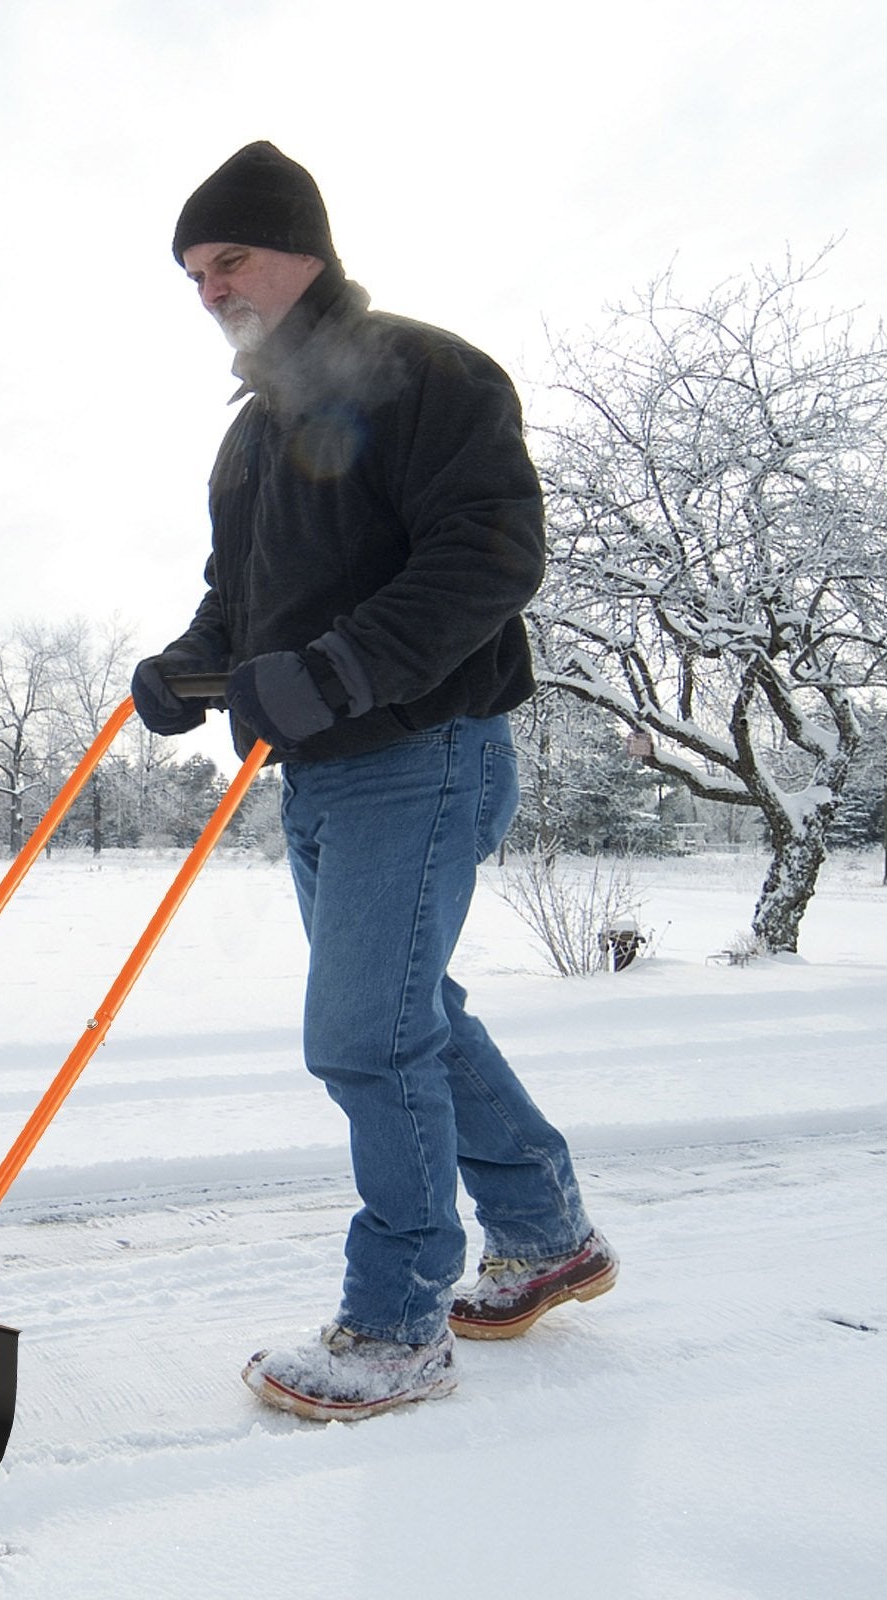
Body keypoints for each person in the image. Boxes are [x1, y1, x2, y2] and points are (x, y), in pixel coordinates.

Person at [133, 141, 617, 1422]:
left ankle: (399, 1319)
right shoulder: (251, 435)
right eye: (191, 272)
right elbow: (240, 604)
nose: (210, 288)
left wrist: (333, 674)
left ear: (302, 246)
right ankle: (544, 1232)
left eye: (228, 258)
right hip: (327, 773)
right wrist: (189, 668)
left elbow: (489, 557)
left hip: (423, 753)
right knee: (411, 1017)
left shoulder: (424, 372)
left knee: (365, 1036)